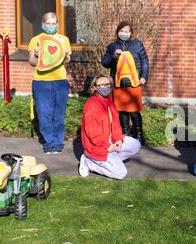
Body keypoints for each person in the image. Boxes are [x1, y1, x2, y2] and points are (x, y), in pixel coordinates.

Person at [78, 74, 141, 179]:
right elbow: (92, 132)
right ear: (94, 87)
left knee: (136, 145)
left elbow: (116, 125)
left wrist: (118, 140)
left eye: (107, 84)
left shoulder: (110, 103)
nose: (105, 87)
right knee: (120, 174)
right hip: (98, 146)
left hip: (110, 141)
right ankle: (89, 162)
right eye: (101, 85)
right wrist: (107, 146)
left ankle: (111, 161)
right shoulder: (92, 105)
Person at [28, 12, 71, 154]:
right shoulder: (36, 40)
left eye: (53, 23)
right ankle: (49, 143)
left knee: (59, 114)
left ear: (57, 24)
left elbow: (66, 61)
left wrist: (64, 55)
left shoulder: (63, 39)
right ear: (43, 24)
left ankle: (58, 143)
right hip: (41, 82)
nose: (51, 26)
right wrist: (35, 55)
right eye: (48, 23)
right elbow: (32, 63)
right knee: (44, 113)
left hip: (60, 81)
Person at [101, 21, 149, 146]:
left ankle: (139, 135)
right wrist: (113, 56)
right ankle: (125, 134)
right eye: (121, 31)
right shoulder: (112, 46)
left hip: (134, 83)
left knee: (133, 111)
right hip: (118, 84)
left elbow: (144, 61)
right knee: (121, 111)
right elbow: (105, 63)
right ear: (117, 32)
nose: (124, 33)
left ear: (131, 33)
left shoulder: (137, 45)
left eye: (126, 31)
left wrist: (144, 77)